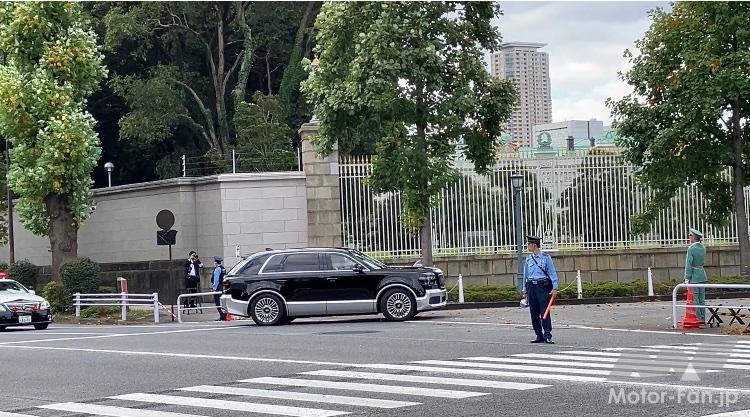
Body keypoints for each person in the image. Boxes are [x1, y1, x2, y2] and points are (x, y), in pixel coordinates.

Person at [523, 235, 559, 344]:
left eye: (529, 244)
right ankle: (538, 334)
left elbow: (552, 273)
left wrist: (555, 288)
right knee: (534, 312)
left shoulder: (546, 258)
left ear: (534, 245)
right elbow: (525, 275)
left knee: (544, 311)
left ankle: (547, 334)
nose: (528, 246)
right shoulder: (528, 259)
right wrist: (525, 290)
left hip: (542, 286)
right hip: (531, 286)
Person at [684, 228, 707, 323]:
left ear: (693, 237)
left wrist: (687, 277)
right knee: (702, 298)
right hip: (702, 274)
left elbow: (688, 264)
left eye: (690, 235)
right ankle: (703, 317)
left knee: (695, 298)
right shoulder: (703, 248)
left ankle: (698, 318)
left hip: (694, 276)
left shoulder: (691, 249)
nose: (689, 237)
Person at [212, 256, 227, 321]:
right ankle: (224, 315)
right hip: (223, 286)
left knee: (217, 302)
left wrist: (214, 288)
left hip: (218, 287)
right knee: (222, 302)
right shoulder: (223, 269)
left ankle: (222, 315)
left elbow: (216, 280)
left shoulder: (217, 269)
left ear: (216, 262)